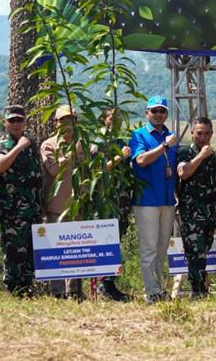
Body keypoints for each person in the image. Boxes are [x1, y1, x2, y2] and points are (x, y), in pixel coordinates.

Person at [129, 95, 178, 303]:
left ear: (166, 114)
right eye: (154, 111)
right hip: (147, 199)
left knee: (162, 248)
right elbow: (141, 160)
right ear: (147, 113)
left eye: (162, 111)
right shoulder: (139, 135)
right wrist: (163, 148)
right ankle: (151, 292)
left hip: (167, 199)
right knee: (149, 247)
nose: (158, 114)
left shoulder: (171, 136)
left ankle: (159, 288)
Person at [0, 104, 43, 296]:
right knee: (14, 250)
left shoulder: (31, 142)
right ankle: (14, 288)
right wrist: (19, 147)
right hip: (13, 209)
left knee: (30, 249)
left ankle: (27, 286)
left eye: (19, 120)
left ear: (25, 121)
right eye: (11, 120)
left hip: (33, 207)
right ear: (4, 122)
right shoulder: (2, 144)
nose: (15, 123)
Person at [40, 104, 86, 300]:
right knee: (57, 249)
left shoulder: (83, 143)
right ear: (56, 123)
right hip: (57, 205)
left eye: (70, 119)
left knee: (77, 249)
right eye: (62, 120)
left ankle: (75, 290)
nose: (66, 124)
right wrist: (71, 153)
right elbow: (54, 171)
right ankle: (57, 292)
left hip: (79, 204)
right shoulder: (49, 145)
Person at [176, 116, 216, 298]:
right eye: (199, 133)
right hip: (192, 212)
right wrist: (201, 155)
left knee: (205, 250)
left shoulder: (214, 155)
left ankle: (202, 288)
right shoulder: (186, 153)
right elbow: (184, 173)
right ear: (193, 133)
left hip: (210, 211)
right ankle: (198, 291)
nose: (203, 137)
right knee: (195, 253)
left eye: (207, 133)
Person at [99, 107, 132, 301]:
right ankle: (105, 285)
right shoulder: (98, 143)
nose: (115, 122)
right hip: (106, 201)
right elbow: (97, 169)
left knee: (116, 242)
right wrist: (120, 157)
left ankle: (111, 283)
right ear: (104, 120)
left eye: (119, 119)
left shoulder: (120, 142)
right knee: (106, 242)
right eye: (112, 118)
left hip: (121, 200)